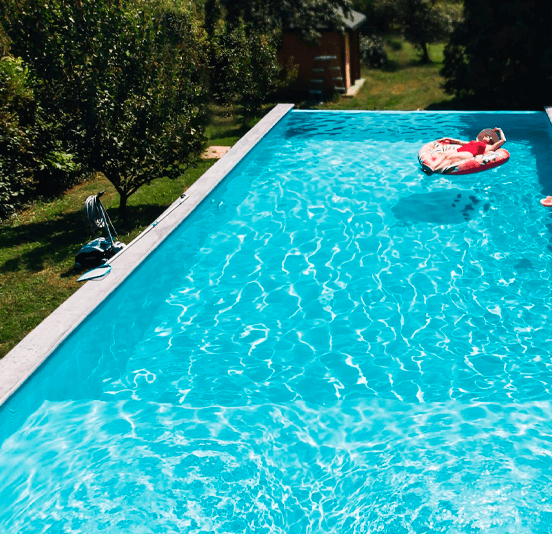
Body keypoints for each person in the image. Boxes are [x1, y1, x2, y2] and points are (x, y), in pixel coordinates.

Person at [427, 127, 506, 173]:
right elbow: (460, 142)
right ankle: (432, 166)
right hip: (461, 149)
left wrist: (499, 130)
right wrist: (448, 138)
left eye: (489, 137)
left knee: (450, 158)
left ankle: (434, 170)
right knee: (444, 155)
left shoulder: (489, 147)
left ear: (490, 141)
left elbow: (503, 140)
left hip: (468, 153)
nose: (486, 136)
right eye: (485, 135)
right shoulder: (474, 142)